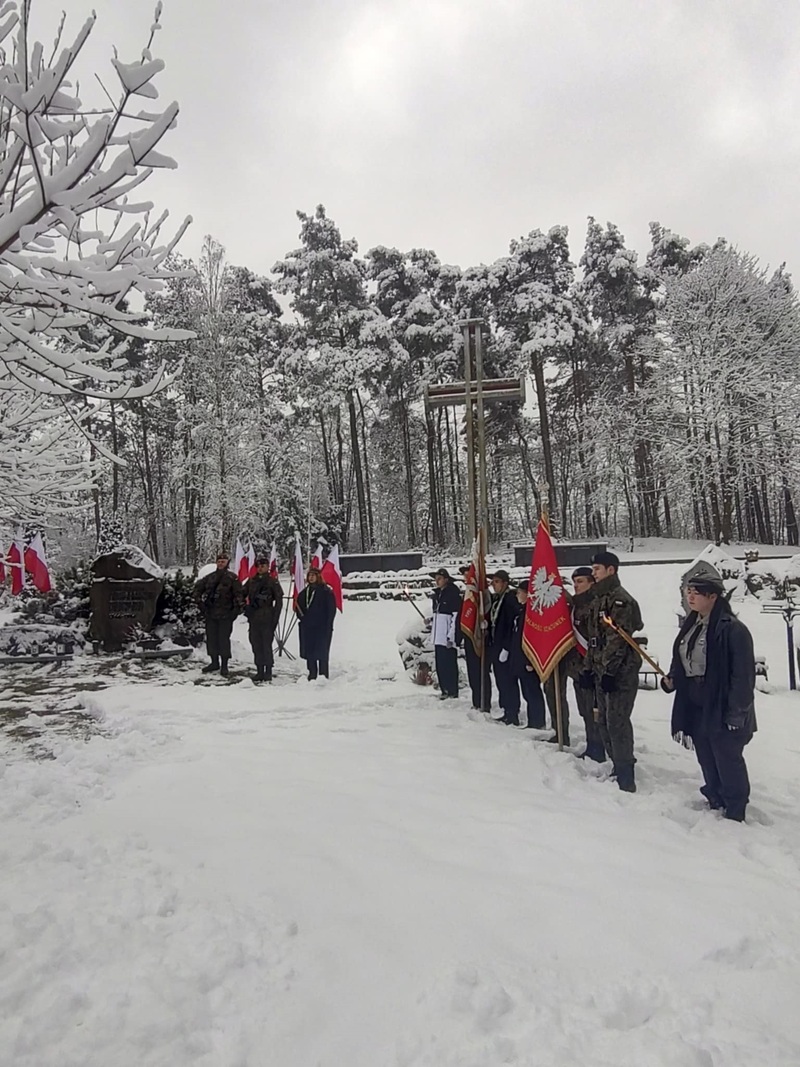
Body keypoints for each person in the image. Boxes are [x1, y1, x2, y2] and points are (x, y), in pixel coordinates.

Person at [662, 567, 756, 822]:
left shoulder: (732, 629)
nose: (690, 597)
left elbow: (743, 677)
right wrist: (673, 678)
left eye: (697, 593)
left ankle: (735, 806)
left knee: (727, 755)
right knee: (705, 752)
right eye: (688, 592)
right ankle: (714, 795)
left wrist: (736, 713)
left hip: (722, 703)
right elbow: (682, 658)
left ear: (713, 596)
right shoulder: (692, 624)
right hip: (695, 700)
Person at [586, 551, 643, 792]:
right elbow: (594, 638)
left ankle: (625, 773)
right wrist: (590, 667)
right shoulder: (599, 597)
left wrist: (609, 671)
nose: (593, 573)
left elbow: (618, 639)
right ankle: (616, 764)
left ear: (611, 570)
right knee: (603, 721)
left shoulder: (620, 600)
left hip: (620, 671)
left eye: (597, 568)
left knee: (617, 722)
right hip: (601, 667)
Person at [565, 567, 605, 762]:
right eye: (574, 581)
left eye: (580, 581)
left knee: (595, 711)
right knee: (585, 710)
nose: (576, 585)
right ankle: (592, 745)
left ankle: (599, 748)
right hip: (578, 669)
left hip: (593, 668)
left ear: (591, 582)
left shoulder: (595, 604)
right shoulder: (574, 605)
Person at [194, 550, 245, 676]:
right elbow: (197, 589)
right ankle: (214, 662)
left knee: (223, 640)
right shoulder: (210, 577)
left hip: (226, 615)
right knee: (212, 639)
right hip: (211, 614)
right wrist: (200, 604)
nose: (221, 563)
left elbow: (239, 595)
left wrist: (235, 612)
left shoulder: (233, 578)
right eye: (219, 561)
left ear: (227, 563)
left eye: (223, 561)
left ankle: (224, 665)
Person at [511, 579, 546, 728]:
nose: (517, 595)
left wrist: (530, 661)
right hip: (520, 658)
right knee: (527, 691)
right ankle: (533, 720)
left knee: (533, 692)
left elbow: (533, 638)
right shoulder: (522, 611)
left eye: (520, 592)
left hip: (528, 660)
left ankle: (537, 721)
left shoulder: (531, 613)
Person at [487, 570, 520, 725]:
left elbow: (511, 625)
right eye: (493, 582)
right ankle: (506, 709)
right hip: (495, 644)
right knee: (500, 680)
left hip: (505, 647)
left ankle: (513, 712)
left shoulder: (510, 599)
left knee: (508, 680)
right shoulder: (496, 599)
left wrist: (506, 647)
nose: (494, 585)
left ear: (505, 583)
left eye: (497, 582)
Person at [244, 556, 284, 683]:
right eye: (259, 566)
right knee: (256, 644)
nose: (260, 568)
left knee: (266, 645)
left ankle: (268, 671)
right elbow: (240, 594)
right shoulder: (251, 581)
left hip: (267, 617)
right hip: (254, 618)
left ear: (267, 567)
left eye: (263, 566)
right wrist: (245, 608)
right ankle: (259, 670)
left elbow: (278, 602)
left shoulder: (272, 582)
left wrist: (275, 619)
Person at [458, 564, 492, 711]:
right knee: (472, 672)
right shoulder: (467, 594)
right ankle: (476, 701)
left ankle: (484, 702)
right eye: (465, 576)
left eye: (468, 575)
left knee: (481, 672)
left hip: (482, 638)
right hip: (469, 638)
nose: (467, 578)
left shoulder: (483, 595)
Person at [295, 566, 336, 680]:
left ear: (318, 577)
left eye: (313, 575)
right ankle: (312, 673)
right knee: (310, 651)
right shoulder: (304, 592)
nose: (311, 577)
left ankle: (323, 674)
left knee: (322, 651)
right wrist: (301, 617)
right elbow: (298, 607)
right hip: (308, 627)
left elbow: (331, 610)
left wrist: (328, 625)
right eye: (309, 575)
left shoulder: (326, 591)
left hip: (322, 627)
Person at [431, 568, 462, 699]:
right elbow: (438, 615)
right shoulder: (437, 595)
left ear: (446, 580)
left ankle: (452, 690)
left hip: (447, 637)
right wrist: (431, 621)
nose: (437, 581)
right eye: (436, 579)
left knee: (449, 664)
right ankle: (444, 689)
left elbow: (455, 617)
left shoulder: (453, 595)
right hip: (438, 636)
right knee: (440, 664)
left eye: (439, 579)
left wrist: (452, 636)